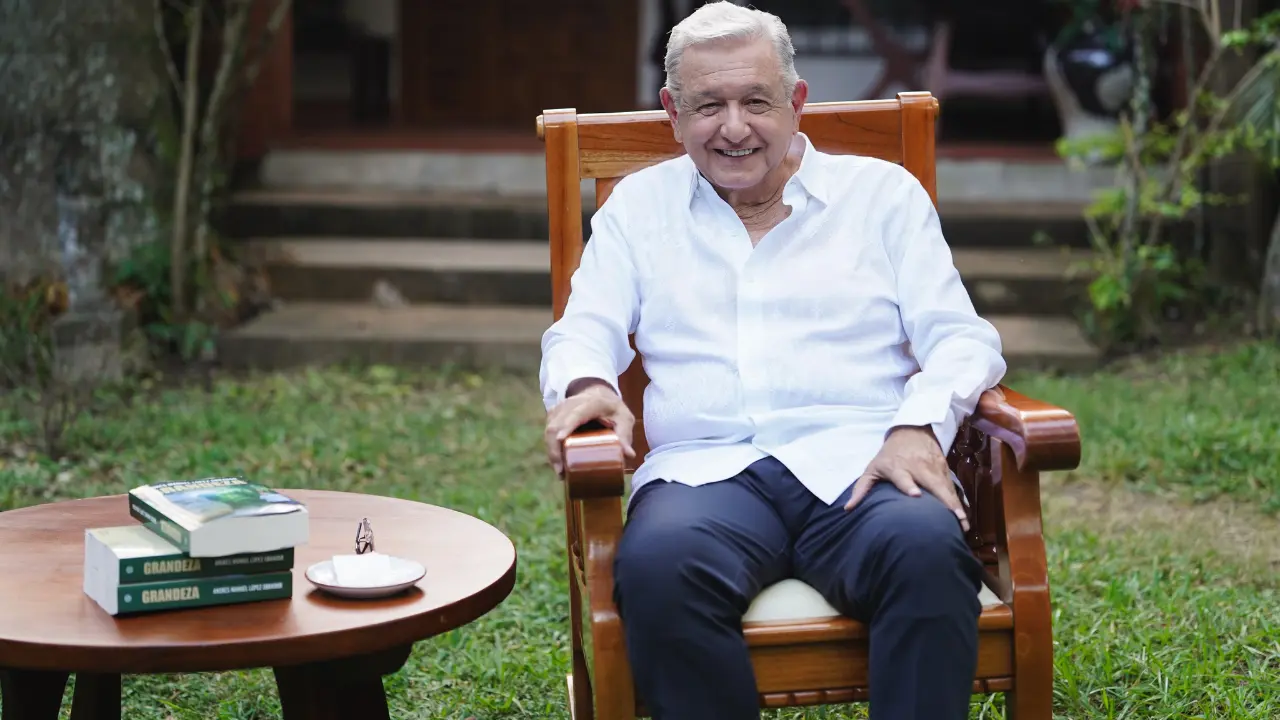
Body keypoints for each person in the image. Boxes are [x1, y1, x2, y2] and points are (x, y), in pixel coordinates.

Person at [538, 3, 1006, 719]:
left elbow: (961, 338)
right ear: (672, 113)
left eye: (756, 101)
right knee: (659, 567)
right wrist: (588, 383)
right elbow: (583, 328)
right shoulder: (639, 208)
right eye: (708, 106)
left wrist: (918, 428)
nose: (734, 127)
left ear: (797, 101)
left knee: (925, 549)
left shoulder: (881, 198)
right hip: (704, 476)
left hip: (861, 464)